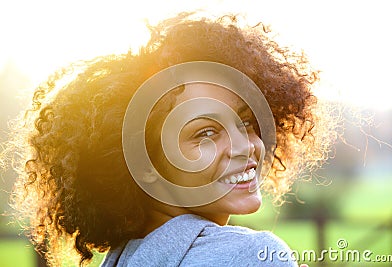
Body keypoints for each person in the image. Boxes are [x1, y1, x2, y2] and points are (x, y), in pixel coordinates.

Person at [1, 12, 338, 266]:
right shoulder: (253, 256)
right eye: (205, 133)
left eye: (246, 122)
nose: (246, 146)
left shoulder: (120, 259)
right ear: (145, 164)